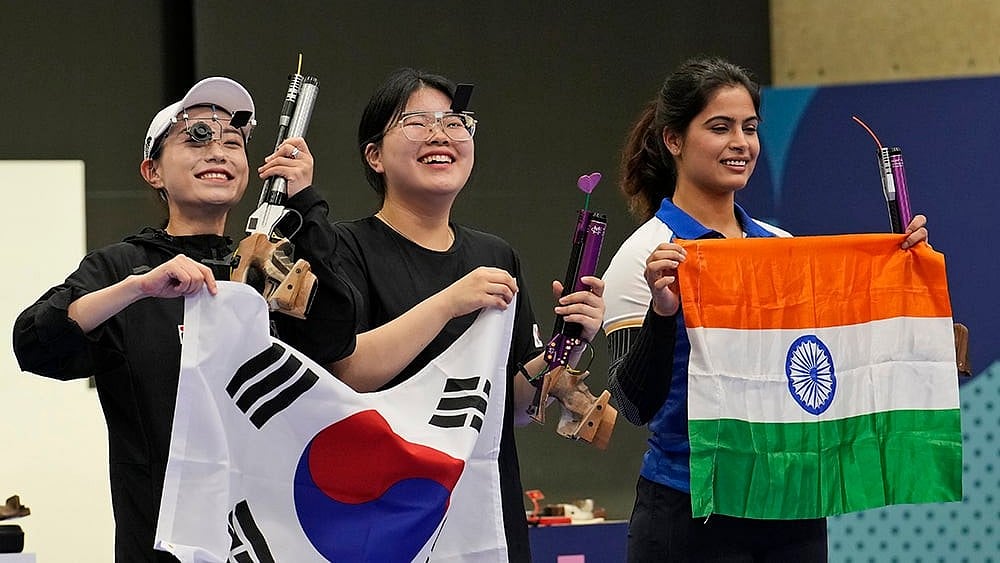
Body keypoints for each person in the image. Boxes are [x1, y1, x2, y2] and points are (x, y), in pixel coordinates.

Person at [267, 67, 606, 562]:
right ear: (374, 155)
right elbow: (347, 372)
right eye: (417, 122)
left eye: (454, 122)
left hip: (478, 513)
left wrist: (568, 342)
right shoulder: (340, 247)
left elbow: (510, 409)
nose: (441, 135)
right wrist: (448, 302)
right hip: (381, 519)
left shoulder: (496, 254)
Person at [12, 77, 356, 562]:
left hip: (271, 539)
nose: (217, 150)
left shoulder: (265, 265)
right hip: (157, 540)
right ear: (152, 171)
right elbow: (34, 343)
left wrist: (307, 203)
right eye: (196, 137)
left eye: (232, 142)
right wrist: (139, 287)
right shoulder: (120, 268)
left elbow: (336, 340)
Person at [600, 56, 929, 562]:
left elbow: (820, 365)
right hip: (692, 512)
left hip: (790, 504)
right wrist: (663, 314)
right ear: (673, 139)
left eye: (750, 128)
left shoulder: (780, 245)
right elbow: (632, 405)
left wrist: (898, 275)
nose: (741, 143)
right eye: (719, 127)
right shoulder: (643, 255)